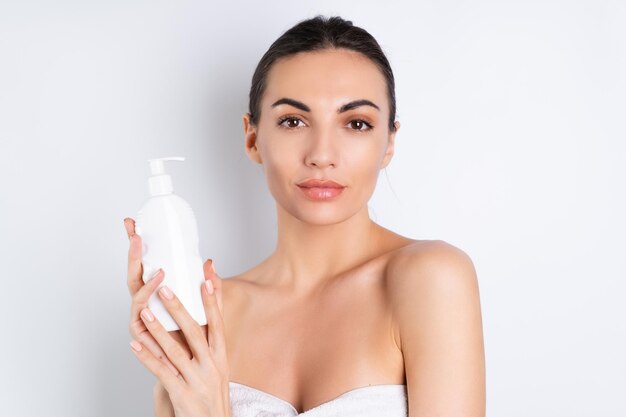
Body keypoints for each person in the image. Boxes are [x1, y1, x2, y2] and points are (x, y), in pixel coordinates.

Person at [124, 14, 485, 417]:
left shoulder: (429, 278)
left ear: (388, 143)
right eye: (293, 121)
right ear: (252, 138)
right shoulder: (210, 315)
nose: (322, 155)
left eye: (357, 123)